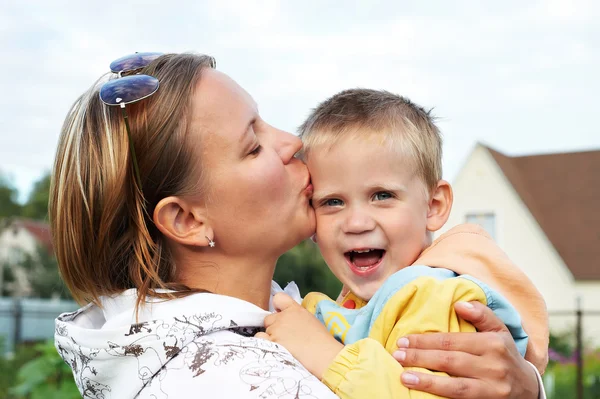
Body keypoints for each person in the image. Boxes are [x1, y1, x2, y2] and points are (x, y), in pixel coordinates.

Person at [51, 52, 544, 398]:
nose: (291, 142)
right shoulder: (234, 382)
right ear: (187, 219)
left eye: (266, 123)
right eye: (253, 144)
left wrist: (523, 386)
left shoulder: (285, 319)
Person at [257, 89, 549, 398]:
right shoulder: (374, 300)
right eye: (332, 202)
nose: (357, 223)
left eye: (382, 195)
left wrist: (325, 354)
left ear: (433, 206)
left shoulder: (435, 296)